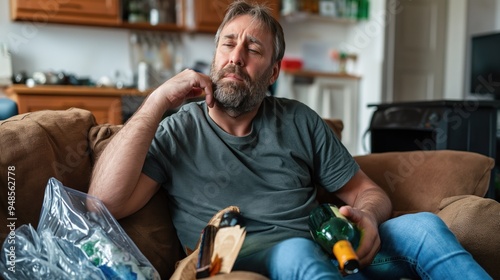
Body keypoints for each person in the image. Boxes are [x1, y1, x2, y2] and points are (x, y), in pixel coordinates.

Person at [89, 1, 491, 279]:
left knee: (422, 227)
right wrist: (158, 99)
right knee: (296, 252)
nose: (236, 57)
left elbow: (366, 191)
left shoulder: (299, 120)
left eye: (254, 49)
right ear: (214, 57)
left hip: (328, 250)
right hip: (243, 254)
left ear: (274, 70)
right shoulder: (179, 129)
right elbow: (102, 203)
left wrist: (368, 216)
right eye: (228, 44)